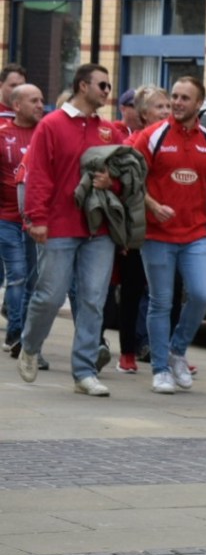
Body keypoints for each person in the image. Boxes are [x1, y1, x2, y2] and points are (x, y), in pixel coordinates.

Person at [14, 64, 118, 396]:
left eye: (109, 85)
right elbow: (39, 174)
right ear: (82, 85)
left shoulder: (109, 130)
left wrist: (110, 181)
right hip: (58, 224)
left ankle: (84, 371)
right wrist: (37, 218)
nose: (107, 91)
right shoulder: (52, 125)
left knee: (92, 299)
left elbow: (124, 174)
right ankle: (30, 345)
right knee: (50, 295)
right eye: (102, 85)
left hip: (98, 228)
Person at [132, 76, 206, 394]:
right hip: (157, 234)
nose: (177, 102)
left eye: (185, 98)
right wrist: (153, 205)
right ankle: (160, 369)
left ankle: (177, 352)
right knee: (161, 302)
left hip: (195, 234)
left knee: (202, 295)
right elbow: (132, 179)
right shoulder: (152, 136)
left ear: (199, 103)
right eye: (174, 96)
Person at [115, 86, 168, 373]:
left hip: (169, 229)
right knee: (133, 288)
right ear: (144, 113)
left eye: (168, 106)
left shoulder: (176, 140)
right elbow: (127, 189)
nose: (166, 112)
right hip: (138, 228)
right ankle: (127, 352)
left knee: (166, 292)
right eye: (160, 107)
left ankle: (164, 349)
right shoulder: (134, 143)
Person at [1, 84, 45, 355]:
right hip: (6, 219)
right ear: (17, 106)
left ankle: (26, 335)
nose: (40, 105)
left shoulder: (45, 134)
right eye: (34, 100)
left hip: (35, 222)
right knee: (16, 277)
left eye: (41, 100)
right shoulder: (3, 135)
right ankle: (16, 333)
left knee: (32, 280)